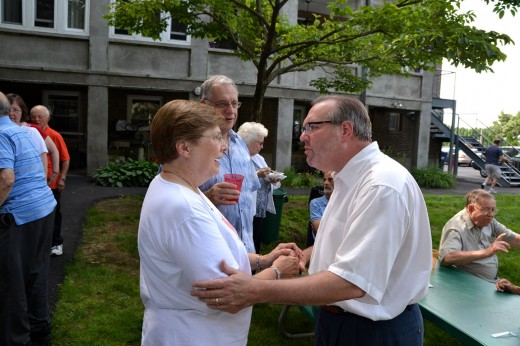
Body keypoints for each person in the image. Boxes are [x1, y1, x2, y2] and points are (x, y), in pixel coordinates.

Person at [192, 95, 433, 345]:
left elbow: (351, 282)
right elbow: (350, 245)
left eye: (312, 127)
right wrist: (306, 255)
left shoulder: (381, 185)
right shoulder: (349, 177)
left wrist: (253, 290)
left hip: (372, 331)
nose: (302, 135)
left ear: (346, 130)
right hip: (341, 321)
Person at [139, 99, 300, 345]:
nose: (224, 147)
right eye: (215, 138)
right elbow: (229, 297)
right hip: (195, 336)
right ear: (184, 147)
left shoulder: (181, 188)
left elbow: (217, 257)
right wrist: (277, 271)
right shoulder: (183, 208)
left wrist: (262, 260)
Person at [0, 91, 57, 345]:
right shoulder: (21, 130)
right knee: (36, 272)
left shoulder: (1, 134)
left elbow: (6, 179)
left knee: (12, 281)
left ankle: (16, 338)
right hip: (43, 209)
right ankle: (40, 328)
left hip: (20, 215)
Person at [199, 75, 261, 253]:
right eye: (222, 104)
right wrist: (208, 197)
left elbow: (249, 196)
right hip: (211, 254)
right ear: (204, 105)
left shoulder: (240, 144)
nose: (231, 110)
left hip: (245, 252)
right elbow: (171, 205)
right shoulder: (189, 145)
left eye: (234, 103)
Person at [439, 189, 520, 291]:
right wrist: (487, 252)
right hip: (468, 285)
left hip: (491, 283)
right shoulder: (456, 227)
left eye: (493, 210)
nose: (490, 215)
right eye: (485, 210)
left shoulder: (489, 221)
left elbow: (516, 240)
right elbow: (447, 257)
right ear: (471, 208)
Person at [30, 105, 70, 257]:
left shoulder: (54, 135)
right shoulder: (30, 133)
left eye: (40, 116)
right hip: (35, 183)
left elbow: (65, 159)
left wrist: (62, 178)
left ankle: (56, 243)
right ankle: (41, 245)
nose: (37, 119)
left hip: (51, 183)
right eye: (34, 117)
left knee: (54, 214)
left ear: (48, 118)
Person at [237, 121, 281, 253]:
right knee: (244, 246)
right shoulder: (237, 158)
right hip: (244, 209)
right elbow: (238, 182)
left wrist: (274, 179)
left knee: (255, 244)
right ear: (249, 140)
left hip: (259, 210)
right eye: (260, 143)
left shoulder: (258, 158)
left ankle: (254, 272)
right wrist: (257, 175)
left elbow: (270, 180)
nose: (262, 146)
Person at [7, 93, 60, 182]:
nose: (11, 113)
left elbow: (53, 150)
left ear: (22, 111)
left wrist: (55, 172)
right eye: (7, 110)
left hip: (28, 181)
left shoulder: (32, 130)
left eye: (16, 110)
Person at [309, 171, 335, 240]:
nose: (326, 183)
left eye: (330, 179)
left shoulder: (344, 202)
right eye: (324, 180)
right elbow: (319, 229)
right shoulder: (315, 203)